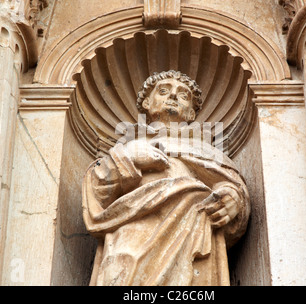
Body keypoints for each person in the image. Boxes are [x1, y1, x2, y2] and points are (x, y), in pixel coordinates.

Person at [83, 70, 250, 286]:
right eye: (163, 91)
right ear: (146, 103)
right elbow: (96, 195)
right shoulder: (127, 148)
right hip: (134, 227)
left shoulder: (209, 153)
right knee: (123, 267)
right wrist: (129, 158)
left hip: (191, 230)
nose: (172, 96)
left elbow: (233, 186)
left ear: (191, 114)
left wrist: (234, 198)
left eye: (183, 95)